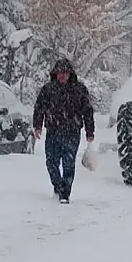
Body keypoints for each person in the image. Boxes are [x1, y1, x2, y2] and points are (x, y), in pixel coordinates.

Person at [32, 58, 95, 204]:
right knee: (51, 162)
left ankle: (65, 193)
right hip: (53, 132)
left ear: (70, 74)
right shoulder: (48, 89)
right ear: (55, 73)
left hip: (72, 132)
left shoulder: (79, 90)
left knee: (68, 163)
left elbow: (88, 111)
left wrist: (89, 131)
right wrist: (37, 126)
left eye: (65, 73)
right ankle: (58, 185)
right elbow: (39, 108)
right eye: (59, 72)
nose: (62, 75)